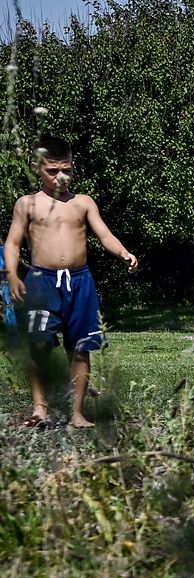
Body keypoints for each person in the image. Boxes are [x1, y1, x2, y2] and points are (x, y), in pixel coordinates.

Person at [4, 137, 138, 428]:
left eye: (65, 169)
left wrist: (123, 252)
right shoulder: (27, 204)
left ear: (73, 168)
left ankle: (77, 412)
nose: (59, 177)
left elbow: (104, 235)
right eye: (52, 171)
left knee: (80, 348)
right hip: (41, 282)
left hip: (80, 282)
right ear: (38, 168)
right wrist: (12, 275)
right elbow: (13, 244)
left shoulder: (83, 203)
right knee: (39, 345)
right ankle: (40, 409)